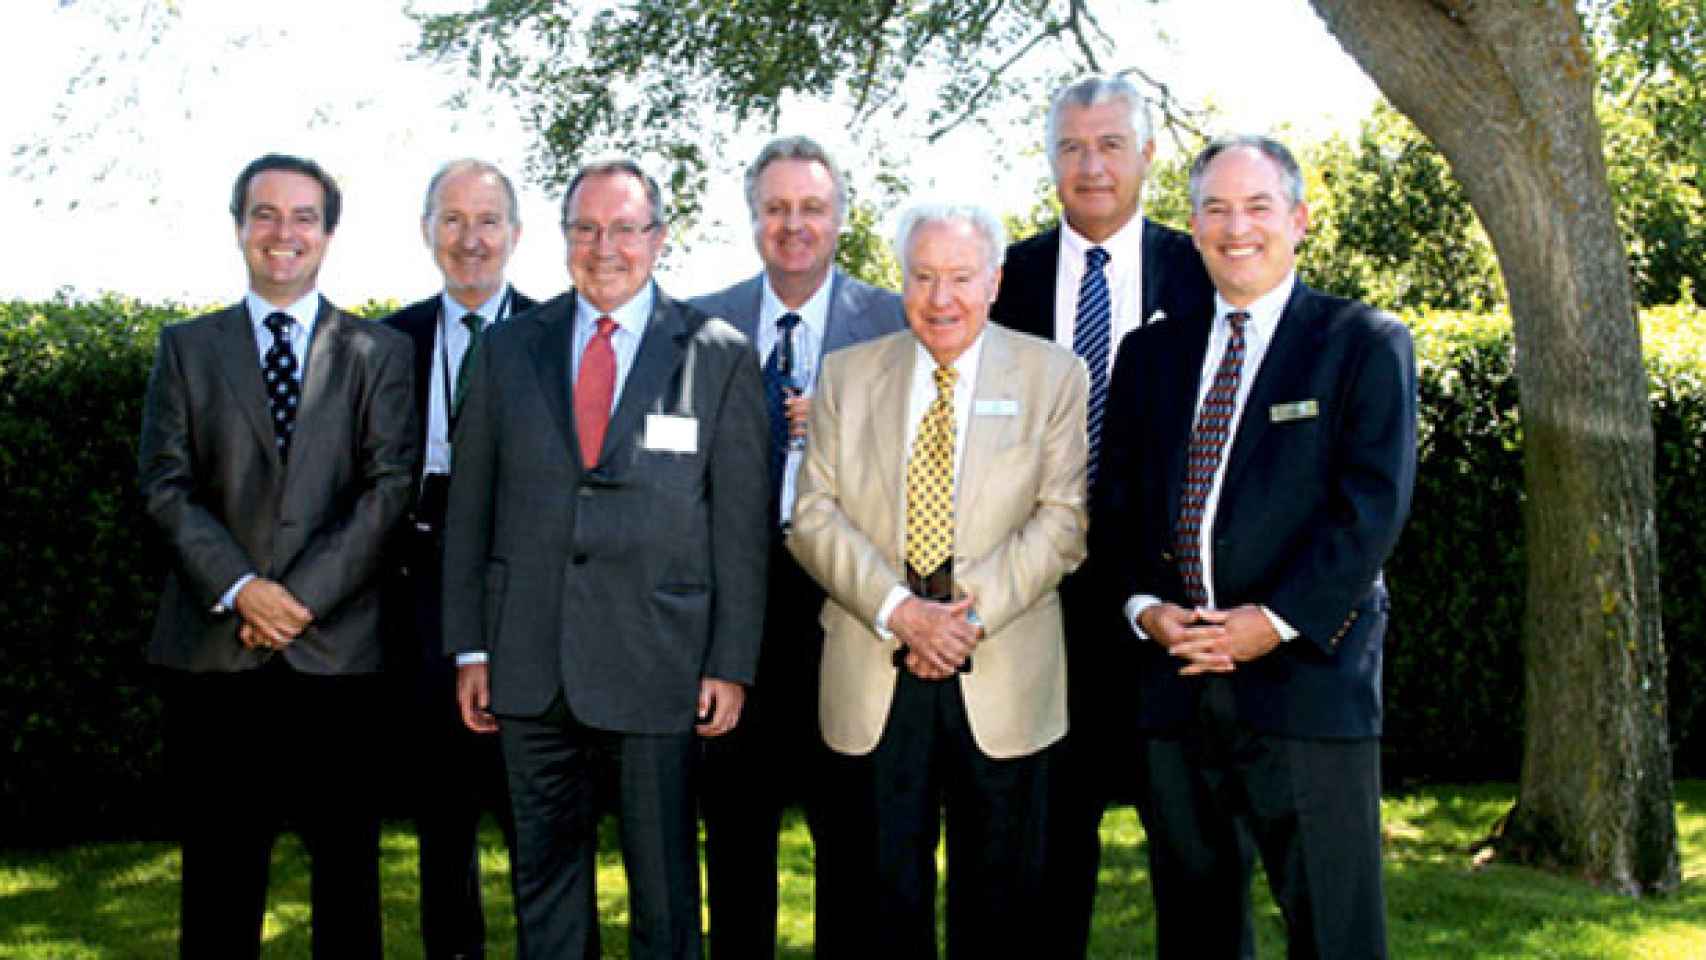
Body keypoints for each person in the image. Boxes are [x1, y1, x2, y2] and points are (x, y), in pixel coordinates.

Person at [1095, 134, 1416, 958]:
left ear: (1300, 220)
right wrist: (1146, 612)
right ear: (1193, 228)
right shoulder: (1149, 355)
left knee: (1335, 933)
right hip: (1175, 687)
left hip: (1308, 686)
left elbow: (1370, 512)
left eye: (1258, 206)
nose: (1237, 228)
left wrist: (1270, 622)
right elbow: (1119, 509)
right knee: (1196, 933)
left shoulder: (1361, 344)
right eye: (1215, 209)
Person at [440, 158, 768, 960]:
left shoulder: (716, 352)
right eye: (585, 229)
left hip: (662, 660)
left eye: (624, 228)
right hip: (529, 658)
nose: (604, 246)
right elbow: (470, 508)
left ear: (658, 239)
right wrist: (472, 646)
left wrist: (731, 661)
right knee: (544, 883)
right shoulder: (511, 348)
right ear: (562, 242)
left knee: (664, 892)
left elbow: (740, 524)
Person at [788, 202, 1088, 957]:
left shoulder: (1054, 374)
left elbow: (1063, 522)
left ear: (994, 280)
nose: (941, 297)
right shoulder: (846, 376)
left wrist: (958, 621)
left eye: (960, 277)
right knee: (875, 904)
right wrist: (900, 612)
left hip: (1004, 667)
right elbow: (813, 516)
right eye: (923, 277)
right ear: (902, 282)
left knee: (1005, 908)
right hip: (872, 668)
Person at [137, 153, 418, 958]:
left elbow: (389, 489)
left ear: (328, 234)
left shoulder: (378, 352)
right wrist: (242, 590)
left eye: (303, 217)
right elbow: (163, 485)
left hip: (338, 658)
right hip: (216, 655)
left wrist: (294, 602)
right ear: (238, 228)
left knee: (348, 888)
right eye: (265, 214)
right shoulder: (186, 348)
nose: (283, 233)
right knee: (219, 885)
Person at [986, 73, 1218, 955]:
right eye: (1072, 147)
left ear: (1149, 156)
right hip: (1036, 602)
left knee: (1189, 841)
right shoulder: (1005, 278)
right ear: (1050, 161)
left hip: (1170, 600)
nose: (1091, 166)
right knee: (1045, 843)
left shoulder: (1204, 272)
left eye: (1111, 144)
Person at [688, 134, 904, 959]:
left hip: (851, 608)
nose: (794, 224)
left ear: (841, 217)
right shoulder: (699, 323)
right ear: (752, 219)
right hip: (736, 611)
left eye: (812, 207)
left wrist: (854, 430)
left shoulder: (893, 319)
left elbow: (935, 459)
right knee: (736, 833)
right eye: (776, 208)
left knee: (852, 830)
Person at [381, 158, 534, 960]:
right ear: (427, 232)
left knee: (538, 824)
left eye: (486, 221)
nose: (469, 240)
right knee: (442, 824)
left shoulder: (557, 335)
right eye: (452, 220)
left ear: (514, 233)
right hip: (419, 604)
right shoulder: (384, 343)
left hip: (527, 605)